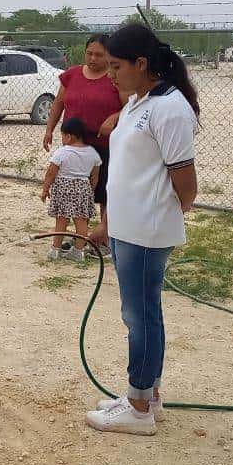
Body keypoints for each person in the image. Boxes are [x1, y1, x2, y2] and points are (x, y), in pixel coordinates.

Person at [85, 22, 199, 436]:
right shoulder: (138, 103)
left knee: (141, 317)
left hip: (146, 231)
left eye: (116, 66)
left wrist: (164, 214)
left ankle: (137, 407)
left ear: (142, 63)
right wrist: (110, 222)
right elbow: (129, 172)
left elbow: (185, 181)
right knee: (142, 314)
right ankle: (145, 395)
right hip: (128, 227)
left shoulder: (169, 108)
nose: (109, 73)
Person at [43, 35, 124, 245]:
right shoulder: (72, 75)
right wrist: (49, 129)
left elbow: (131, 107)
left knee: (104, 191)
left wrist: (114, 117)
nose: (93, 58)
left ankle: (105, 238)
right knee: (72, 188)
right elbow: (58, 104)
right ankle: (75, 235)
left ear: (109, 56)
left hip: (105, 146)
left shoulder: (116, 78)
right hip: (73, 146)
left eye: (99, 54)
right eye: (89, 53)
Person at [40, 118, 102, 262]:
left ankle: (55, 250)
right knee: (81, 222)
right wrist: (90, 190)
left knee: (61, 220)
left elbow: (51, 172)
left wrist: (45, 189)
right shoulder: (92, 153)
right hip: (83, 188)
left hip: (63, 189)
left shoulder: (62, 152)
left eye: (62, 135)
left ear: (69, 136)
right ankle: (78, 251)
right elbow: (95, 176)